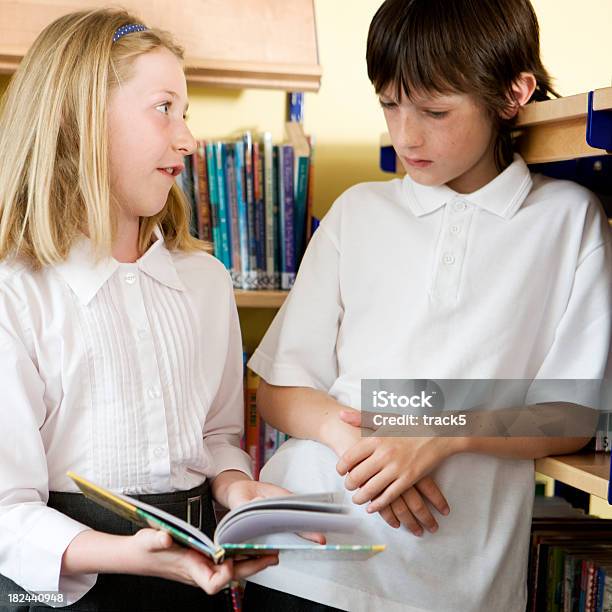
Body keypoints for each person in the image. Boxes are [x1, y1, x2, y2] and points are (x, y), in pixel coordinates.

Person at [241, 0, 612, 610]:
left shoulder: (568, 220)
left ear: (512, 94)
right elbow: (279, 389)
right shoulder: (358, 212)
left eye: (435, 110)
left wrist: (439, 432)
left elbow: (570, 417)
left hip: (455, 581)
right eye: (389, 103)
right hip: (304, 557)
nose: (406, 134)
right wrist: (368, 451)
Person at [0, 8, 305, 610]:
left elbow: (217, 436)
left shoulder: (206, 283)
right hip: (65, 592)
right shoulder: (17, 295)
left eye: (185, 113)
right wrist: (126, 554)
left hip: (195, 588)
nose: (188, 138)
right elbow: (5, 508)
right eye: (165, 108)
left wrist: (236, 485)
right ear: (81, 121)